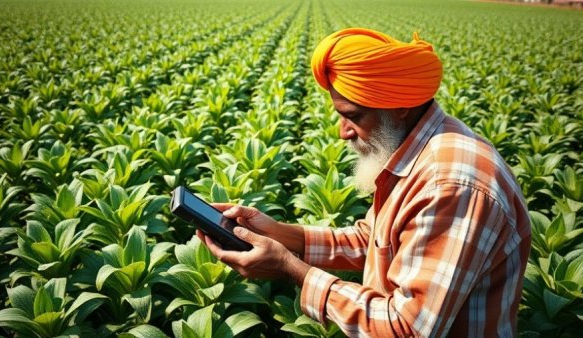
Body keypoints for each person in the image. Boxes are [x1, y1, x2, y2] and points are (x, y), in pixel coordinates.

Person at [197, 28, 531, 337]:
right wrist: (282, 234)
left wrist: (289, 268)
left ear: (399, 106)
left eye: (353, 116)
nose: (342, 132)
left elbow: (407, 329)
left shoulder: (452, 185)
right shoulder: (420, 148)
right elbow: (374, 239)